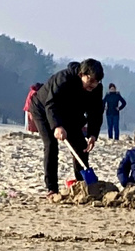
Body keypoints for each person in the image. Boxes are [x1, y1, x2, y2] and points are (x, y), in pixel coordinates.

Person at [32, 59, 105, 200]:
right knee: (51, 145)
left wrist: (93, 134)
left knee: (81, 146)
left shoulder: (96, 89)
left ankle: (82, 184)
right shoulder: (64, 79)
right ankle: (52, 188)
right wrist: (57, 126)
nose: (93, 85)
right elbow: (51, 104)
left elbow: (95, 113)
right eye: (90, 80)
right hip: (43, 108)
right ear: (81, 74)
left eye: (97, 81)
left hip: (69, 114)